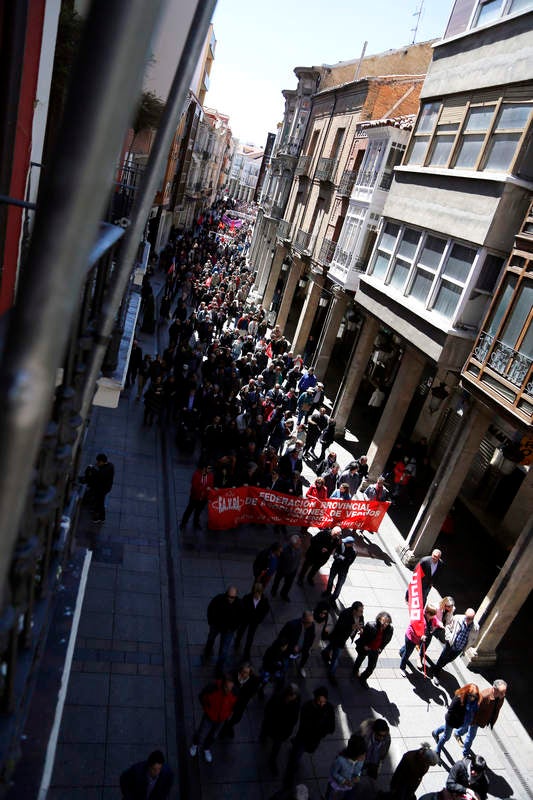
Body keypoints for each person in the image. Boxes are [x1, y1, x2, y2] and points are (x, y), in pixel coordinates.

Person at [284, 686, 335, 788]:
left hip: (314, 739)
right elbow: (306, 726)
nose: (321, 704)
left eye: (324, 702)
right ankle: (289, 778)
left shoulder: (328, 708)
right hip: (304, 738)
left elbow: (331, 726)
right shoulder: (307, 707)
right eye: (319, 701)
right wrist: (321, 725)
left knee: (305, 750)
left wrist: (323, 729)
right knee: (295, 758)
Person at [190, 675, 237, 763]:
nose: (228, 690)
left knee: (213, 736)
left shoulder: (234, 692)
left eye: (230, 688)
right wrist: (207, 709)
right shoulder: (213, 688)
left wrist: (228, 713)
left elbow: (234, 705)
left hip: (221, 719)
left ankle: (206, 748)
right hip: (209, 717)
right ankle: (194, 745)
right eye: (227, 688)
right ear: (223, 684)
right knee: (201, 733)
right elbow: (202, 696)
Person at [455, 679, 507, 757]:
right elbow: (475, 710)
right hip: (475, 720)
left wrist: (491, 721)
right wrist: (472, 722)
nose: (504, 694)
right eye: (502, 692)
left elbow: (496, 710)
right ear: (495, 689)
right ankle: (465, 753)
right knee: (471, 736)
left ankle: (457, 733)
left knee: (465, 729)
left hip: (482, 719)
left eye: (504, 692)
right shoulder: (484, 696)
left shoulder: (501, 697)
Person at [260, 683, 301, 775]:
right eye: (291, 695)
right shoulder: (277, 697)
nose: (292, 697)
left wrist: (288, 728)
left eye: (294, 696)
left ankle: (272, 760)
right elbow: (269, 708)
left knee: (277, 745)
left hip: (282, 730)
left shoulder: (295, 704)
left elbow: (294, 718)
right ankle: (263, 736)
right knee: (266, 732)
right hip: (272, 724)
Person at [321, 601, 364, 685]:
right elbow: (340, 627)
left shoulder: (360, 616)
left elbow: (362, 622)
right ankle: (331, 673)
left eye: (362, 611)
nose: (362, 613)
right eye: (360, 611)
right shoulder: (345, 614)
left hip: (342, 638)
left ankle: (325, 652)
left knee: (332, 644)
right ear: (354, 611)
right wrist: (351, 627)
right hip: (339, 637)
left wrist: (361, 628)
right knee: (336, 658)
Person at [432, 683, 480, 758]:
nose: (472, 698)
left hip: (460, 722)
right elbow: (450, 711)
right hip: (452, 720)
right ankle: (437, 751)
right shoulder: (459, 698)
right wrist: (460, 717)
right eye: (471, 695)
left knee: (447, 728)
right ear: (467, 692)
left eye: (475, 696)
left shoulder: (475, 700)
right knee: (446, 736)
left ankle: (435, 732)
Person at [202, 586, 243, 672]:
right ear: (226, 594)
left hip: (228, 630)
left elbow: (241, 618)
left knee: (224, 650)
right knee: (211, 638)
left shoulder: (239, 604)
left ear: (236, 596)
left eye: (232, 597)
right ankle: (208, 650)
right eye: (229, 596)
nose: (230, 599)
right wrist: (211, 622)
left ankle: (219, 667)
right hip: (216, 626)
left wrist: (234, 627)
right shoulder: (219, 599)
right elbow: (210, 609)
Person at [433, 608, 479, 681]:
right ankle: (436, 671)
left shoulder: (475, 627)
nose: (469, 620)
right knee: (443, 657)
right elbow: (448, 626)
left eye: (471, 619)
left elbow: (474, 638)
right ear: (465, 614)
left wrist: (467, 647)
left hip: (459, 648)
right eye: (468, 618)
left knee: (450, 659)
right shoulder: (457, 618)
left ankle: (439, 666)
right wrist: (449, 637)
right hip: (451, 644)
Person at [352, 611, 393, 688]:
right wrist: (365, 645)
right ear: (379, 619)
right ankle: (354, 671)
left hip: (375, 650)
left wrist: (381, 648)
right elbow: (363, 636)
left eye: (387, 622)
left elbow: (387, 640)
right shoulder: (370, 625)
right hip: (366, 647)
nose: (385, 624)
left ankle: (363, 678)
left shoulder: (390, 629)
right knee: (359, 660)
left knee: (371, 667)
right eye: (384, 621)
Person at [221, 662, 261, 738]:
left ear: (250, 673)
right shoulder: (233, 674)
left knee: (237, 718)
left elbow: (253, 691)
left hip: (241, 702)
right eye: (242, 671)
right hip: (229, 700)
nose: (243, 674)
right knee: (225, 714)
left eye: (246, 672)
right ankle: (225, 726)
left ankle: (229, 726)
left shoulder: (254, 680)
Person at [399, 604, 442, 675]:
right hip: (411, 638)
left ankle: (401, 651)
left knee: (407, 648)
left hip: (416, 640)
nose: (434, 616)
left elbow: (435, 619)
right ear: (428, 614)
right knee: (407, 653)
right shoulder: (419, 618)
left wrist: (439, 623)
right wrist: (421, 636)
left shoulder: (431, 617)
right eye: (433, 615)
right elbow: (413, 629)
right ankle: (402, 668)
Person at [234, 582, 270, 661]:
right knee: (241, 631)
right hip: (245, 619)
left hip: (255, 621)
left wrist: (260, 619)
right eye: (255, 592)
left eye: (259, 593)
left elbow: (265, 610)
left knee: (250, 636)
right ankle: (237, 642)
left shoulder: (264, 600)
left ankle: (246, 652)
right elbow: (242, 607)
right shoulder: (247, 598)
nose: (257, 595)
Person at [325, 734, 367, 799]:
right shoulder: (340, 760)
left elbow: (359, 770)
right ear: (355, 754)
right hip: (336, 787)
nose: (364, 757)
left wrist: (358, 776)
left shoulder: (360, 760)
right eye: (362, 755)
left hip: (349, 787)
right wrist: (344, 781)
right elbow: (334, 773)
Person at [276, 610, 316, 678]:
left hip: (301, 650)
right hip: (288, 651)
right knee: (284, 665)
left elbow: (311, 637)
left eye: (311, 622)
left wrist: (307, 647)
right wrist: (292, 647)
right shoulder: (292, 625)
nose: (310, 625)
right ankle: (280, 675)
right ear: (303, 620)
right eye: (308, 623)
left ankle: (299, 667)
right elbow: (281, 637)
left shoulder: (311, 626)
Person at [322, 536, 357, 602]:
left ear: (351, 544)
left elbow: (348, 562)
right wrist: (340, 557)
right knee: (330, 579)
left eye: (346, 543)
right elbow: (335, 553)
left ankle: (334, 597)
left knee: (339, 584)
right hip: (335, 565)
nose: (344, 543)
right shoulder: (341, 545)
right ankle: (328, 591)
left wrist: (340, 557)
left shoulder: (353, 552)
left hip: (343, 570)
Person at [180, 463, 214, 530]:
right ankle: (183, 523)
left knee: (198, 511)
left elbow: (210, 485)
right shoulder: (196, 475)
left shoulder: (210, 476)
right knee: (189, 510)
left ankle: (196, 523)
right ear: (204, 468)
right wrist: (205, 489)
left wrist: (207, 491)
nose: (210, 470)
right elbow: (195, 487)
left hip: (204, 498)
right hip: (195, 497)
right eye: (208, 468)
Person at [84, 453, 114, 523]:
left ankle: (100, 518)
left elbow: (98, 476)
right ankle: (97, 511)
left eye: (98, 462)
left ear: (101, 462)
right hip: (106, 487)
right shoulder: (110, 465)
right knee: (99, 501)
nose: (97, 463)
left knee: (100, 502)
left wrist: (91, 469)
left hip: (102, 489)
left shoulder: (103, 471)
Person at [271, 534, 302, 602]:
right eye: (298, 543)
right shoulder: (284, 549)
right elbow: (277, 558)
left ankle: (284, 594)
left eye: (300, 542)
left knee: (288, 584)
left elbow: (298, 558)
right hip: (282, 570)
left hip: (292, 571)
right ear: (293, 544)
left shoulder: (299, 548)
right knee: (277, 581)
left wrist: (296, 567)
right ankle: (274, 591)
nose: (300, 543)